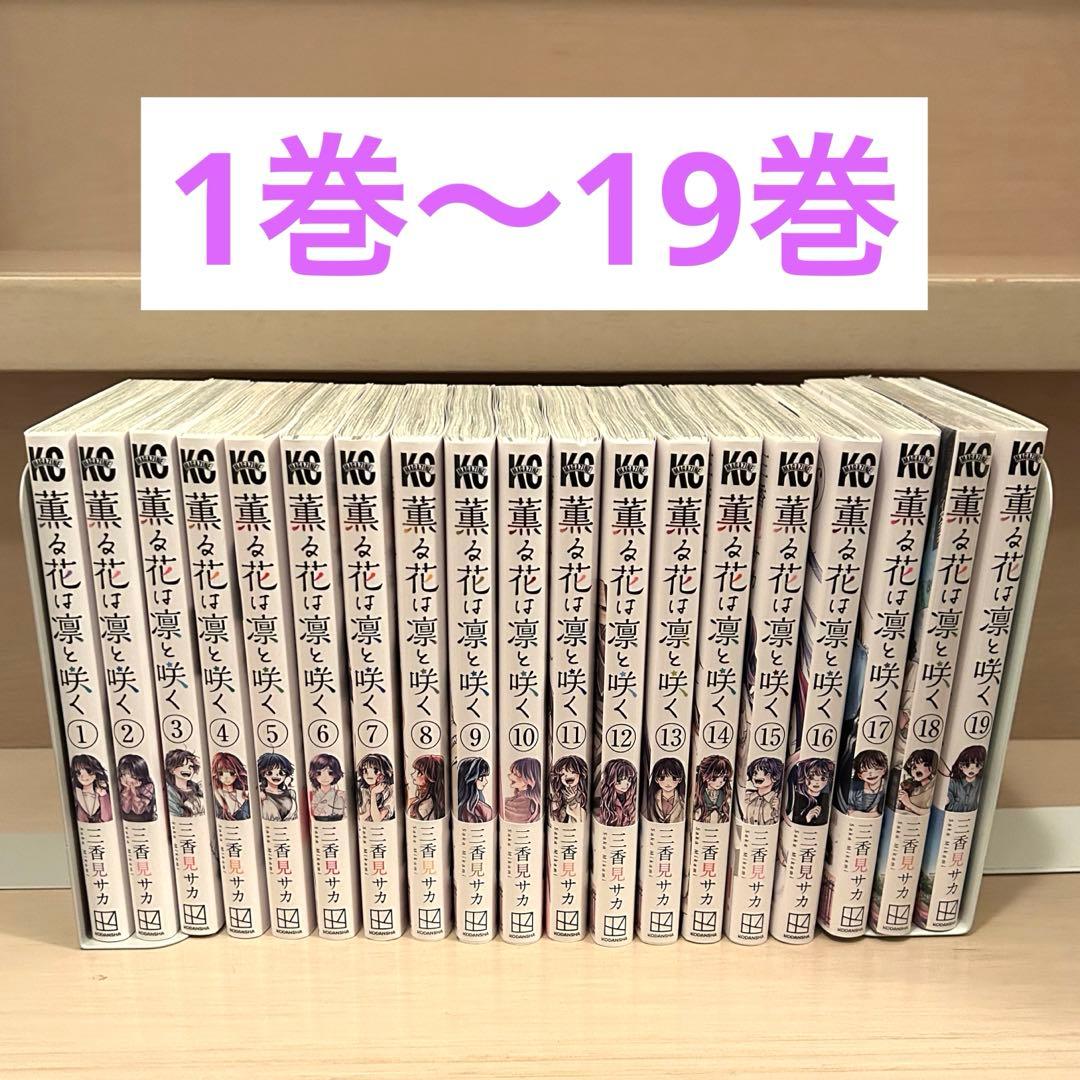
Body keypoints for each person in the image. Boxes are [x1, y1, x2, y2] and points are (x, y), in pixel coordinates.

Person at [786, 758, 834, 826]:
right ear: (804, 777)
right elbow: (793, 818)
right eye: (811, 777)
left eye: (822, 778)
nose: (817, 782)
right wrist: (807, 818)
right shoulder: (798, 797)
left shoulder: (826, 798)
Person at [593, 759, 637, 827]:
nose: (627, 783)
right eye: (621, 779)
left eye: (629, 779)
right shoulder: (604, 800)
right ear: (611, 779)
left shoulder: (632, 798)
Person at [70, 754, 112, 823]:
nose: (83, 776)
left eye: (89, 771)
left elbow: (107, 817)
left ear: (96, 773)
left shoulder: (102, 793)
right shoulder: (76, 793)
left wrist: (103, 796)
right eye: (78, 773)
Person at [894, 748, 936, 815]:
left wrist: (908, 803)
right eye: (914, 766)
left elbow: (927, 812)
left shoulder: (932, 786)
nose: (916, 770)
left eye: (924, 764)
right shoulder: (914, 787)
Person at [846, 749, 888, 815]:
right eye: (865, 770)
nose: (870, 774)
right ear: (859, 775)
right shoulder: (853, 788)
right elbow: (849, 812)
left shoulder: (889, 787)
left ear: (884, 770)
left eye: (876, 768)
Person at [692, 755, 733, 824]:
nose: (721, 782)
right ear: (705, 776)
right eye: (715, 778)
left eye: (724, 779)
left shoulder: (725, 794)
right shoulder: (698, 794)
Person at [548, 755, 588, 825]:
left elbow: (581, 816)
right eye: (563, 774)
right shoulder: (559, 794)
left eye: (572, 772)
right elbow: (554, 813)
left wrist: (572, 800)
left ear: (580, 774)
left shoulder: (582, 794)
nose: (567, 776)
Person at [741, 756, 782, 825]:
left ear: (774, 777)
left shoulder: (777, 800)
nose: (755, 776)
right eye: (754, 772)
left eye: (765, 772)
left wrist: (777, 809)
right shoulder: (748, 797)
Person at [258, 753, 299, 821]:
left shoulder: (291, 793)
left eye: (281, 773)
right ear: (263, 774)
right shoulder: (261, 795)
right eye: (270, 772)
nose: (276, 775)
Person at [945, 745, 986, 813]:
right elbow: (948, 797)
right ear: (960, 766)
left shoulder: (981, 783)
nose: (972, 769)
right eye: (967, 765)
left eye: (977, 765)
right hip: (952, 815)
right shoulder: (954, 782)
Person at [165, 749, 205, 817]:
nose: (188, 769)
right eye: (183, 765)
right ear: (172, 769)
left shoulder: (197, 788)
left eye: (191, 766)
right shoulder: (170, 792)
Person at [645, 757, 686, 823]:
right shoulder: (651, 798)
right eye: (662, 778)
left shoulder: (683, 800)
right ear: (656, 779)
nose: (668, 782)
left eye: (674, 778)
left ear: (680, 779)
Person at [211, 752, 250, 821]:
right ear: (216, 774)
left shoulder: (245, 795)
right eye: (221, 773)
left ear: (237, 773)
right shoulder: (214, 795)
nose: (227, 777)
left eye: (231, 773)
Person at [356, 753, 395, 822]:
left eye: (375, 771)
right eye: (365, 770)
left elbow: (377, 819)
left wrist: (373, 793)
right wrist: (367, 813)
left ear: (384, 772)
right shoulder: (362, 790)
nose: (369, 775)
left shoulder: (389, 791)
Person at [117, 754, 156, 822]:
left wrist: (133, 790)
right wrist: (127, 789)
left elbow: (138, 810)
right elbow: (125, 809)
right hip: (126, 820)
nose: (127, 778)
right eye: (124, 774)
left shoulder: (148, 786)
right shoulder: (122, 786)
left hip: (144, 819)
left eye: (133, 776)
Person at [503, 758, 542, 824]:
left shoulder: (525, 803)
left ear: (529, 779)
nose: (510, 776)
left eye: (516, 774)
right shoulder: (517, 798)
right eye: (512, 773)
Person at [308, 753, 346, 822]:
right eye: (319, 773)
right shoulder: (313, 794)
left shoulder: (340, 794)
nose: (325, 777)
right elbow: (315, 813)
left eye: (330, 773)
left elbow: (345, 814)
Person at [408, 755, 446, 820]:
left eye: (420, 772)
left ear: (430, 777)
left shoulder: (425, 806)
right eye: (415, 771)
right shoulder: (420, 799)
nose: (413, 774)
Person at [457, 757, 494, 823]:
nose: (486, 781)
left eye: (485, 777)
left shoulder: (485, 809)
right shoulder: (485, 810)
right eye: (481, 777)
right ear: (471, 778)